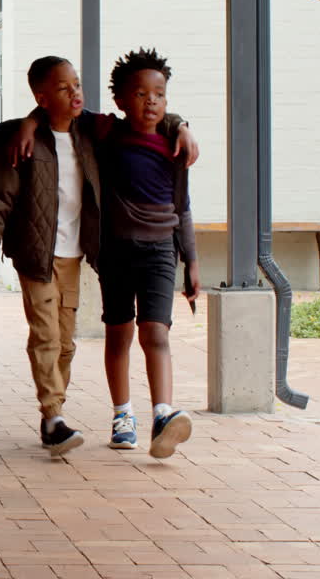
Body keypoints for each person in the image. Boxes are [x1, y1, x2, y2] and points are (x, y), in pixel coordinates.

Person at [0, 56, 196, 457]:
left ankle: (53, 416)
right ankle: (55, 416)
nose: (75, 93)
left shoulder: (91, 133)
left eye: (76, 84)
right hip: (37, 253)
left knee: (66, 344)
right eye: (63, 88)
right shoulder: (26, 142)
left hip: (75, 253)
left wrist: (181, 125)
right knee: (47, 335)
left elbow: (147, 116)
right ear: (42, 97)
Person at [95, 48, 200, 458]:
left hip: (160, 250)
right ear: (121, 100)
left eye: (159, 94)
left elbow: (183, 208)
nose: (151, 100)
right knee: (118, 334)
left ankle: (162, 414)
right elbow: (64, 116)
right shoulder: (107, 135)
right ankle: (123, 415)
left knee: (155, 332)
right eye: (140, 93)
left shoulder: (174, 146)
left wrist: (192, 261)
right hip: (116, 252)